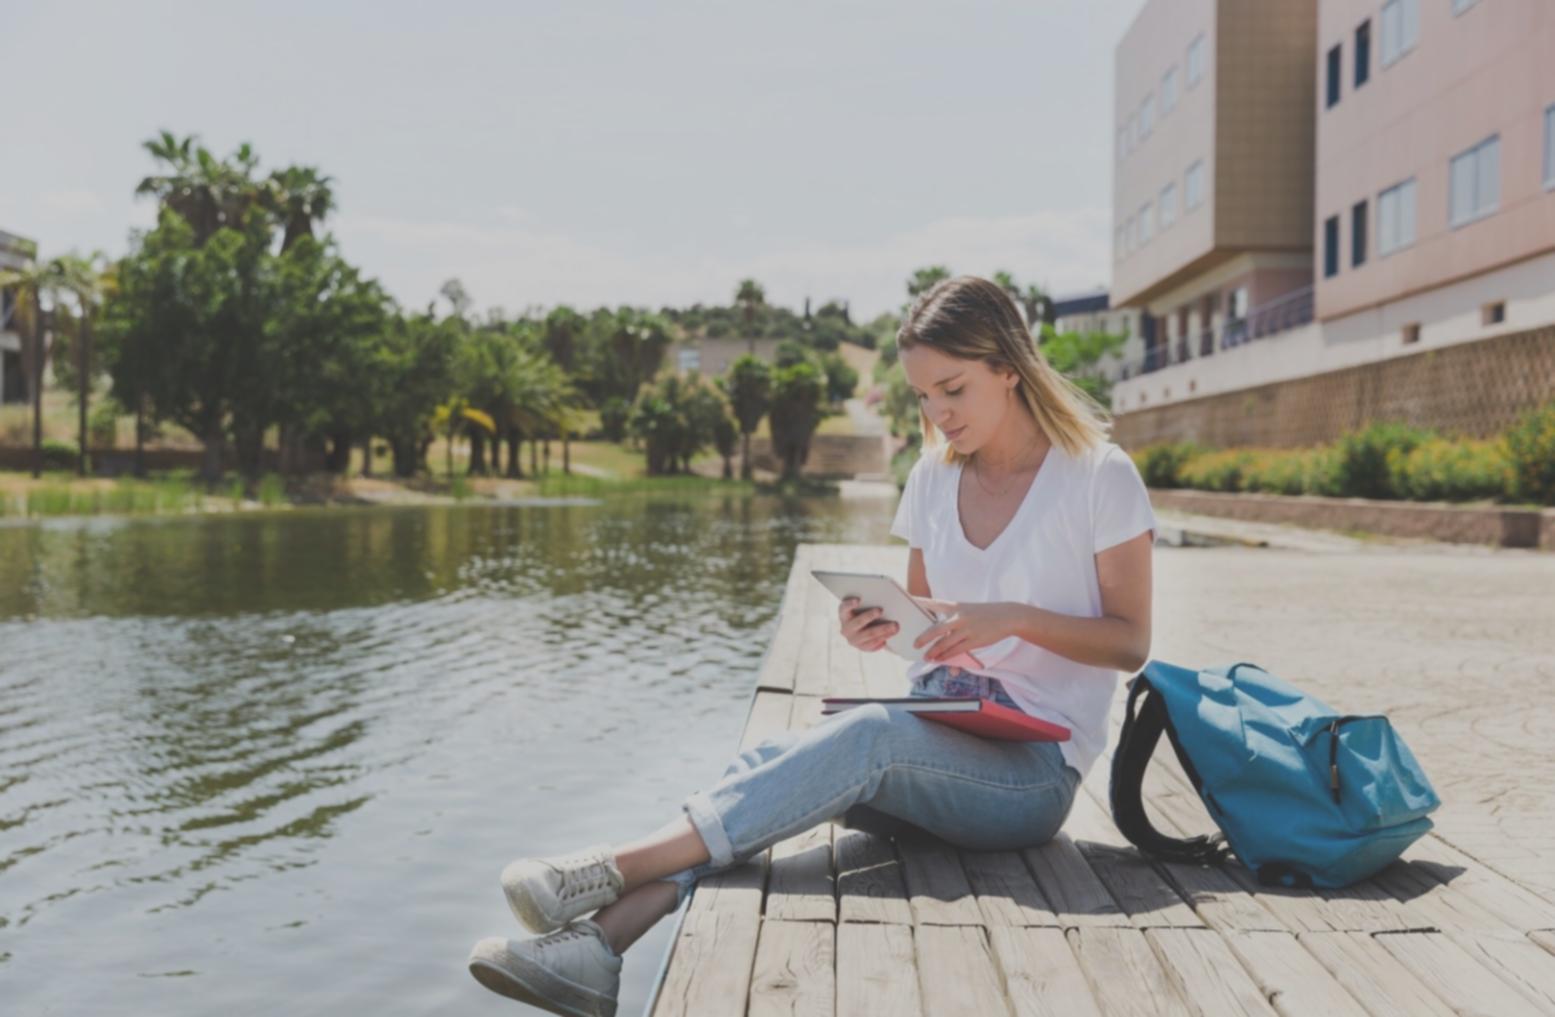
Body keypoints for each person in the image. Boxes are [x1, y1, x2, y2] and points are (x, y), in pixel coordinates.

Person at [466, 275, 1158, 1017]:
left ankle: (612, 867)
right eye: (922, 396)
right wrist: (886, 628)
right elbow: (930, 632)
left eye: (952, 389)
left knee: (865, 736)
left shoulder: (1098, 475)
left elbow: (1130, 642)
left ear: (1008, 367)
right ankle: (598, 948)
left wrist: (1014, 618)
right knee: (772, 761)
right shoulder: (932, 477)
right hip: (939, 731)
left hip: (1032, 777)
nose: (937, 414)